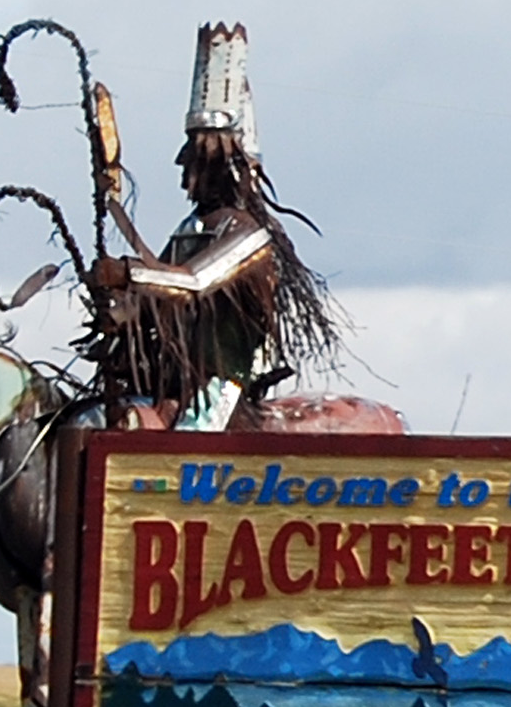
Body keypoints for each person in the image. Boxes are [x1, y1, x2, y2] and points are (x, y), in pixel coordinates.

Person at [86, 23, 341, 429]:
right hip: (171, 378)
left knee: (187, 439)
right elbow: (158, 300)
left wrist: (128, 273)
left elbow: (192, 282)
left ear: (226, 169)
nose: (186, 181)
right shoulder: (191, 226)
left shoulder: (248, 235)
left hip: (222, 384)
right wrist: (117, 310)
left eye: (196, 169)